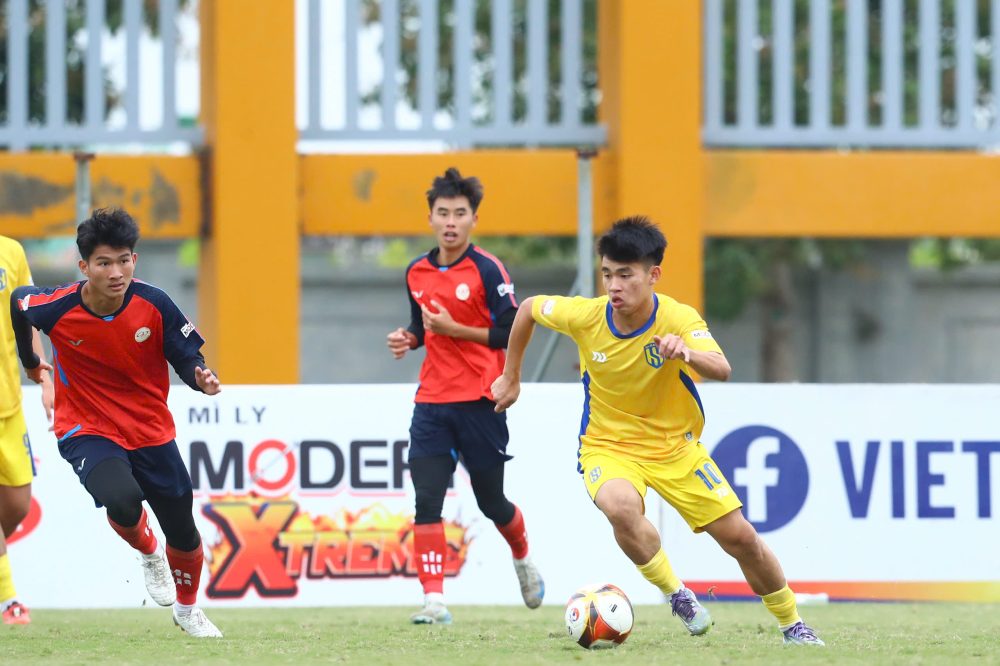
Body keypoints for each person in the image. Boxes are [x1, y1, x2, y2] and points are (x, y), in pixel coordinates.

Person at [491, 216, 824, 646]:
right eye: (607, 274)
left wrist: (686, 353)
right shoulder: (586, 316)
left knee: (741, 538)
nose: (614, 286)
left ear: (653, 275)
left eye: (625, 275)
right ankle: (677, 594)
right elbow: (528, 309)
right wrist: (511, 376)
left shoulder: (677, 317)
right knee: (620, 507)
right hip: (608, 445)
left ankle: (792, 624)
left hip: (675, 449)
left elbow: (721, 368)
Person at [9, 209, 222, 638]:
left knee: (183, 529)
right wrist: (31, 362)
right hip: (85, 428)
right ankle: (148, 550)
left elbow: (186, 357)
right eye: (104, 263)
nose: (116, 272)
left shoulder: (155, 303)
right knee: (121, 499)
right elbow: (19, 301)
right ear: (84, 266)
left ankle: (187, 610)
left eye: (124, 261)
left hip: (149, 430)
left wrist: (200, 378)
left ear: (134, 260)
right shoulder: (57, 307)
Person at [386, 168, 543, 624]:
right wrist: (409, 338)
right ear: (431, 218)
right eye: (443, 213)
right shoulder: (416, 270)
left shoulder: (487, 269)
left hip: (481, 399)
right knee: (427, 500)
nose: (450, 222)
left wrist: (455, 330)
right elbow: (422, 326)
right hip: (432, 401)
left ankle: (522, 555)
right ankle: (434, 601)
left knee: (491, 501)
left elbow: (510, 330)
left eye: (459, 213)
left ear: (474, 219)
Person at [0, 235, 54, 625]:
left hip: (9, 403)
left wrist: (43, 376)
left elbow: (27, 313)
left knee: (17, 505)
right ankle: (9, 601)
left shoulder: (11, 250)